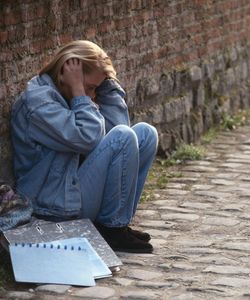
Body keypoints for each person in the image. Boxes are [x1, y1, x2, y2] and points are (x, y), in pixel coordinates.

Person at [10, 40, 158, 253]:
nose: (91, 96)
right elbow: (88, 138)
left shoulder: (68, 93)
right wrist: (79, 93)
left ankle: (115, 225)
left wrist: (106, 87)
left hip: (71, 190)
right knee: (123, 136)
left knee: (145, 133)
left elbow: (119, 133)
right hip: (52, 205)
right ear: (65, 74)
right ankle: (112, 230)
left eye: (95, 89)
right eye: (91, 88)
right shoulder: (39, 104)